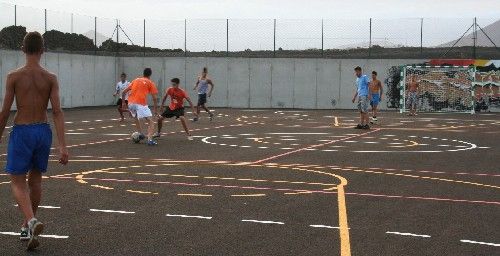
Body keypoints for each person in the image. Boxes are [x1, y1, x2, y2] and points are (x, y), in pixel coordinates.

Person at [0, 32, 69, 250]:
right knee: (36, 180)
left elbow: (4, 111)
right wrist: (62, 146)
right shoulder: (50, 78)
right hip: (43, 130)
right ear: (42, 50)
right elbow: (57, 112)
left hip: (22, 131)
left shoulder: (14, 76)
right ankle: (26, 227)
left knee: (17, 181)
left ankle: (30, 220)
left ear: (22, 49)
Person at [122, 68, 159, 145]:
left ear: (143, 73)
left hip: (130, 103)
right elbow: (155, 98)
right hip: (140, 103)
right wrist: (155, 110)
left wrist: (123, 103)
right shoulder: (150, 82)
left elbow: (124, 92)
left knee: (136, 117)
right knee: (151, 122)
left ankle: (141, 133)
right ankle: (150, 140)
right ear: (150, 74)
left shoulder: (135, 80)